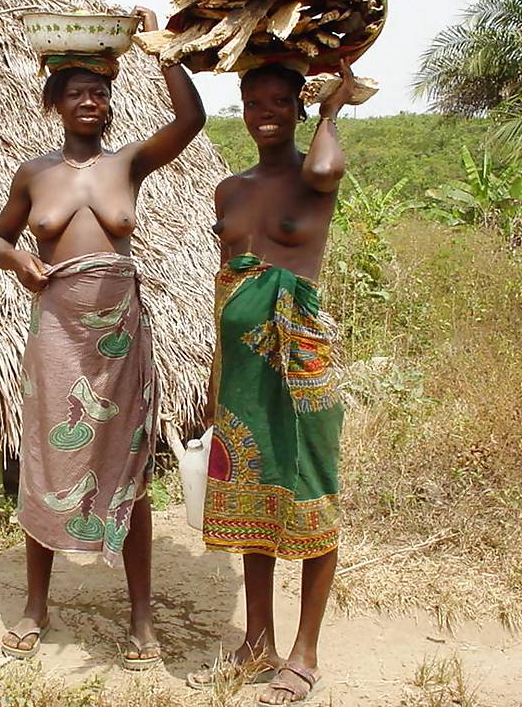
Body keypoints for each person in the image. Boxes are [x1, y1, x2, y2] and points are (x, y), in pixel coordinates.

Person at [0, 6, 205, 668]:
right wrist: (19, 260)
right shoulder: (35, 174)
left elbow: (191, 122)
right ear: (56, 101)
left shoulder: (129, 164)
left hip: (120, 336)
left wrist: (162, 50)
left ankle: (141, 618)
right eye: (78, 91)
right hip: (57, 333)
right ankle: (34, 606)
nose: (91, 100)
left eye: (101, 91)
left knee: (128, 464)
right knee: (48, 461)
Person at [190, 61, 355, 704]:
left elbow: (322, 168)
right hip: (240, 369)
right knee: (250, 499)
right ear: (241, 104)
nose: (266, 112)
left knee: (310, 494)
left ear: (297, 107)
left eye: (281, 101)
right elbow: (226, 286)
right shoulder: (229, 190)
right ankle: (257, 640)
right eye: (254, 100)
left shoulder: (315, 178)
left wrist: (333, 110)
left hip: (303, 360)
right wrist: (214, 379)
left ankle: (303, 652)